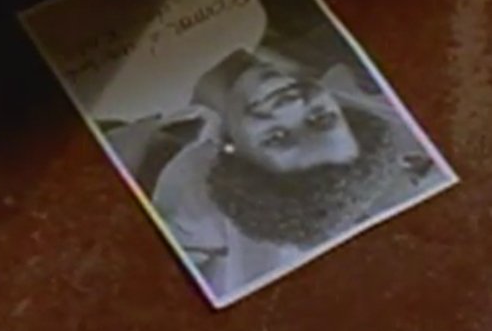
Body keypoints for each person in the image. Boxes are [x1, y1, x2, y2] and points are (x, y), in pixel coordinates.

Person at [107, 45, 442, 300]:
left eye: (277, 137)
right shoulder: (250, 24)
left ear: (235, 157)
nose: (291, 107)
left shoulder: (127, 104)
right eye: (320, 119)